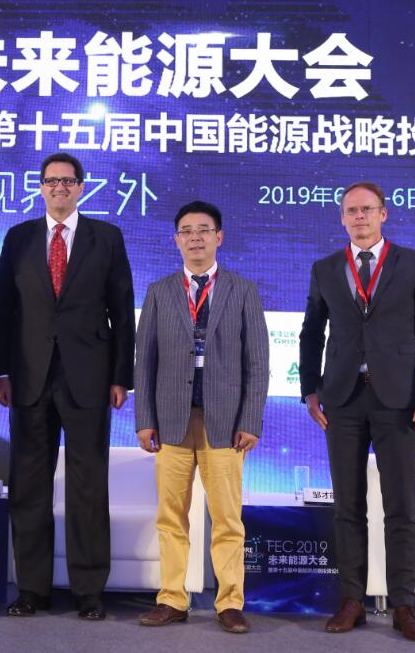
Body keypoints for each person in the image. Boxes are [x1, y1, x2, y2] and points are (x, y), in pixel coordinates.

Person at [299, 181, 415, 643]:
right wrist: (310, 390)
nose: (358, 217)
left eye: (366, 209)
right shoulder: (326, 268)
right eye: (351, 211)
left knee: (400, 506)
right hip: (342, 400)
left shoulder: (414, 263)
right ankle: (352, 602)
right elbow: (311, 333)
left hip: (400, 399)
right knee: (347, 506)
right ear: (342, 217)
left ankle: (404, 605)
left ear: (384, 214)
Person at [0, 152, 135, 621]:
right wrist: (0, 371)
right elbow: (2, 308)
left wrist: (121, 377)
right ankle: (31, 588)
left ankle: (88, 589)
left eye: (68, 181)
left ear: (81, 188)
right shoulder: (18, 237)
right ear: (40, 187)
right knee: (28, 484)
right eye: (51, 181)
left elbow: (122, 310)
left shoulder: (106, 237)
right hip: (28, 376)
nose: (59, 188)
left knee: (88, 485)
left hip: (88, 377)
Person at [134, 201, 269, 634]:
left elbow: (258, 362)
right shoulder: (159, 291)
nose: (195, 238)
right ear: (177, 240)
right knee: (171, 517)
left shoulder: (243, 290)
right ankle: (172, 599)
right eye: (186, 231)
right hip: (171, 422)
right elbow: (144, 362)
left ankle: (230, 602)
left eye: (204, 230)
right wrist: (144, 418)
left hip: (226, 424)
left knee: (227, 518)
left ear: (219, 237)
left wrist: (250, 420)